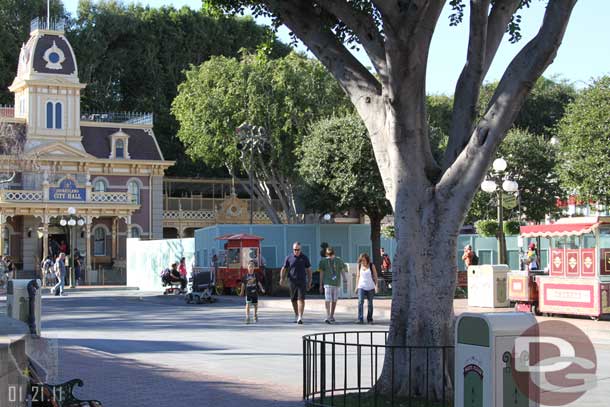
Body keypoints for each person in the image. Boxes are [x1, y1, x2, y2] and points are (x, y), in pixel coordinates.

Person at [280, 242, 312, 324]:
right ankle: (296, 314)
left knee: (301, 298)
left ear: (300, 249)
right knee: (293, 299)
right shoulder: (289, 258)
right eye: (295, 249)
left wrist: (309, 281)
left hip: (302, 281)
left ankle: (300, 317)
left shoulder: (304, 258)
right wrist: (282, 278)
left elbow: (309, 270)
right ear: (293, 249)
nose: (296, 251)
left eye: (298, 249)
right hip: (292, 281)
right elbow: (284, 268)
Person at [318, 247, 347, 324]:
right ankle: (327, 315)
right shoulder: (323, 261)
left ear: (333, 253)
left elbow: (342, 270)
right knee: (327, 299)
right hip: (327, 283)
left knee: (334, 300)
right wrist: (320, 285)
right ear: (326, 254)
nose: (329, 256)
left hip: (336, 283)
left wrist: (344, 278)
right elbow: (321, 273)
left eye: (331, 254)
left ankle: (332, 315)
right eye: (328, 254)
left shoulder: (338, 260)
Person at [355, 253, 379, 324]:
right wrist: (356, 287)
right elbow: (358, 276)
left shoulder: (371, 265)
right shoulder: (359, 265)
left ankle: (370, 319)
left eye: (364, 260)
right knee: (360, 301)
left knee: (370, 303)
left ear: (367, 260)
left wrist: (376, 286)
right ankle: (360, 318)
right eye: (361, 261)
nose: (363, 262)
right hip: (361, 286)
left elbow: (375, 276)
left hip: (370, 287)